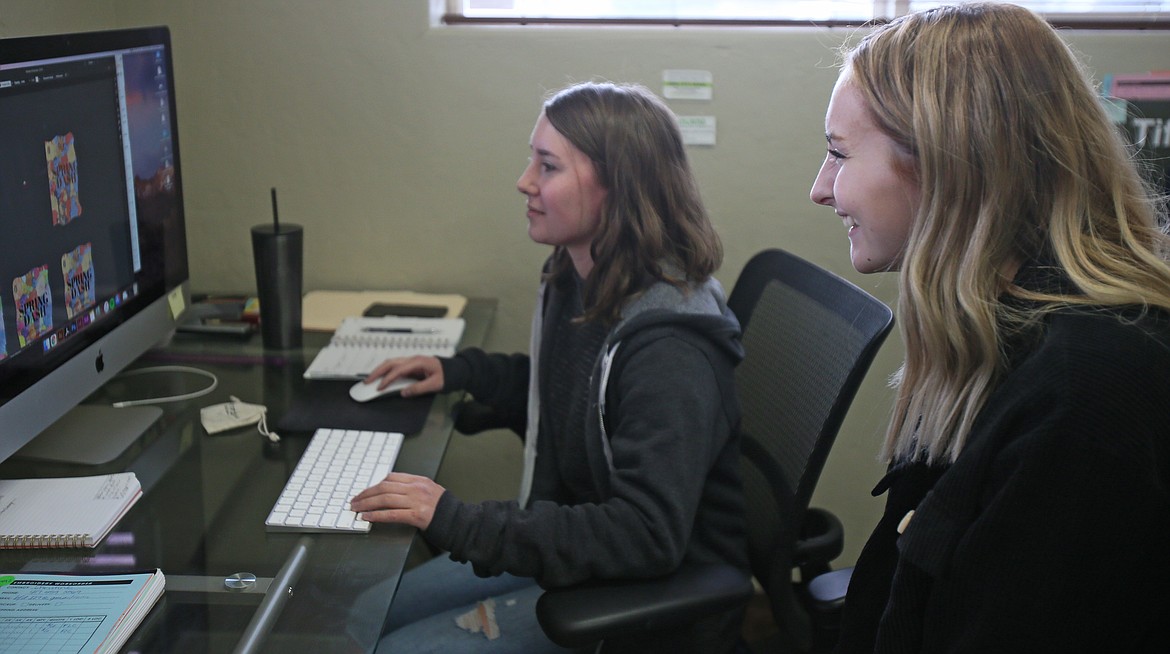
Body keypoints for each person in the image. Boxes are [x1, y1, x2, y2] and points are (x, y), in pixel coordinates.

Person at [809, 3, 1170, 652]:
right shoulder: (994, 330)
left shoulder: (1083, 399)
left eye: (839, 154)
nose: (820, 188)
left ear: (950, 165)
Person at [350, 81, 747, 653]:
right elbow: (576, 395)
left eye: (548, 166)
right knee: (364, 615)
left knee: (395, 649)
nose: (524, 181)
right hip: (585, 544)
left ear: (618, 188)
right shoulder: (581, 275)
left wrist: (456, 520)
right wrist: (462, 372)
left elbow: (646, 534)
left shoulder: (669, 346)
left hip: (647, 590)